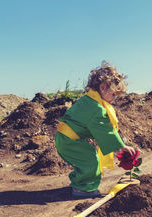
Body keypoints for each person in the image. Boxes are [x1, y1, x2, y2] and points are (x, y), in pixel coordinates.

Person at [55, 61, 136, 198]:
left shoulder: (89, 100)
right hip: (69, 140)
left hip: (65, 139)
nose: (114, 99)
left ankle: (79, 182)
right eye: (114, 94)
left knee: (85, 159)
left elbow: (98, 129)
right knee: (90, 161)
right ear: (103, 87)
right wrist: (120, 147)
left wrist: (116, 147)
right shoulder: (96, 109)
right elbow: (105, 131)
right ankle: (83, 189)